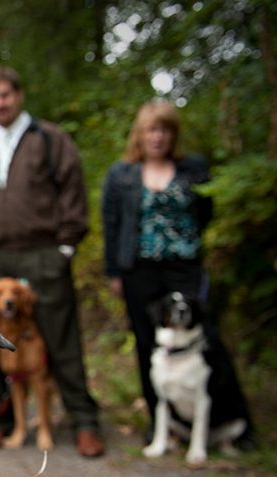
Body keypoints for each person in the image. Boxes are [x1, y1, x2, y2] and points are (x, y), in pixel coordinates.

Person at [101, 100, 253, 443]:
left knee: (207, 339)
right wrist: (114, 272)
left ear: (173, 135)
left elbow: (205, 210)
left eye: (165, 130)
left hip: (184, 267)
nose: (158, 137)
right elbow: (112, 224)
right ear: (140, 134)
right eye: (152, 130)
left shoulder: (192, 169)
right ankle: (160, 423)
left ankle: (233, 421)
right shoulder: (122, 174)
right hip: (138, 269)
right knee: (147, 343)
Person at [0, 67, 105, 458]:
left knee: (60, 336)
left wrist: (66, 246)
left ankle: (84, 421)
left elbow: (72, 189)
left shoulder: (48, 139)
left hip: (44, 251)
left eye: (4, 95)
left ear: (18, 95)